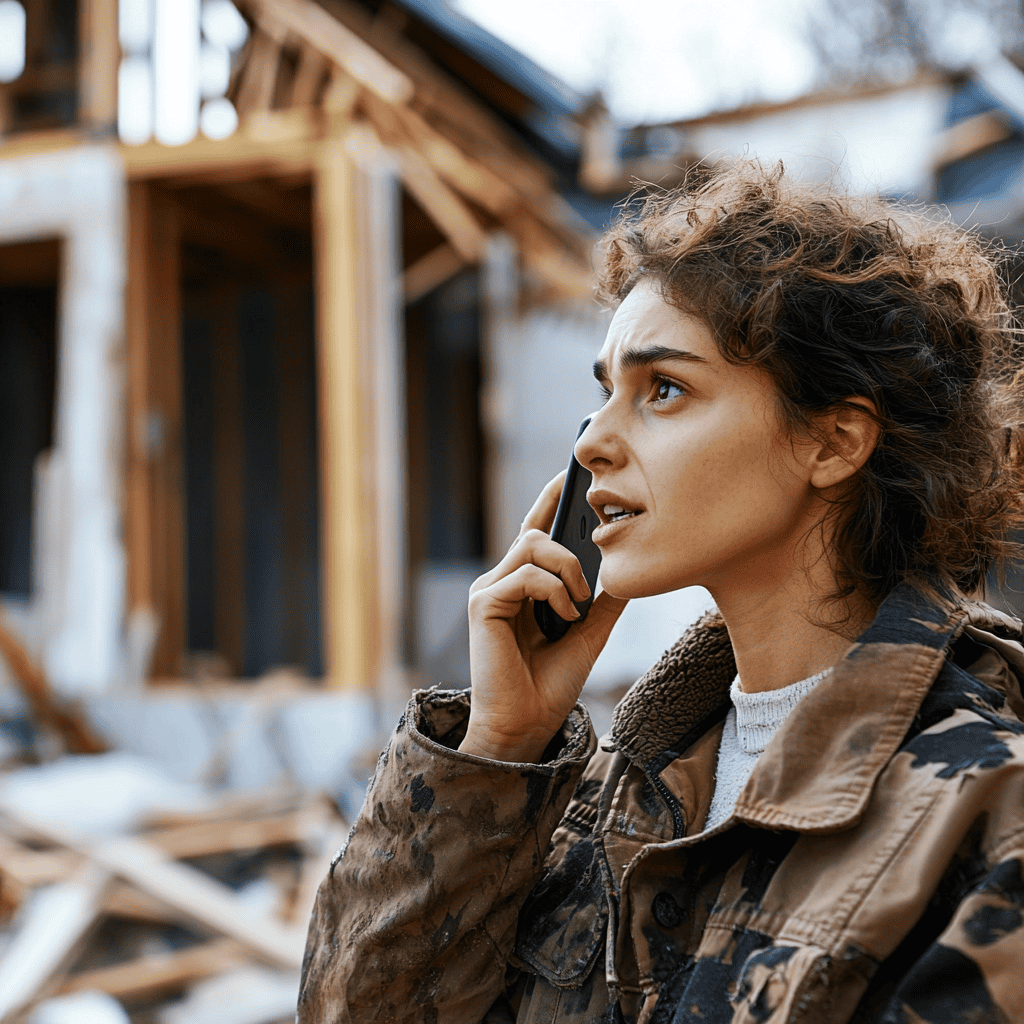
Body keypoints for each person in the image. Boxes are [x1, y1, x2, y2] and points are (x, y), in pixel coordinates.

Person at [297, 161, 1024, 1023]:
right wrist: (498, 749)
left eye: (664, 390)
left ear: (833, 443)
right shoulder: (604, 802)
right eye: (606, 393)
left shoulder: (984, 819)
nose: (593, 442)